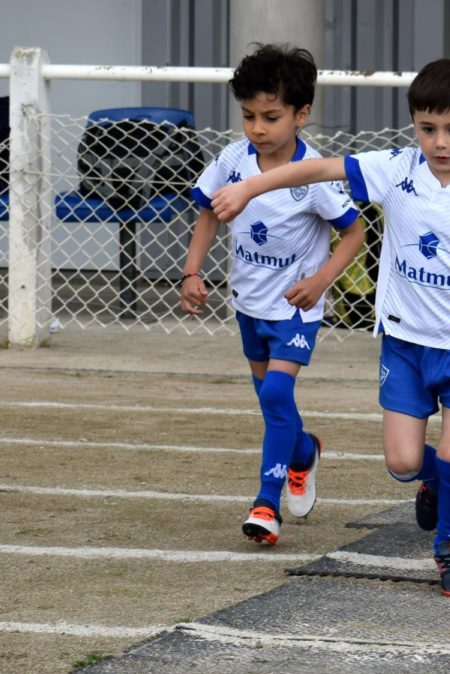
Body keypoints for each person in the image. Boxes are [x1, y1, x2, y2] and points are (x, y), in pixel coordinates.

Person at [210, 58, 450, 597]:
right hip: (405, 345)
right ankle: (435, 482)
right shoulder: (398, 169)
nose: (439, 142)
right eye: (427, 128)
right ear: (414, 124)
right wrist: (252, 188)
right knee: (403, 462)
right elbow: (317, 171)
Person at [180, 44, 365, 546]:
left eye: (271, 116)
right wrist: (192, 272)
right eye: (248, 116)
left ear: (301, 115)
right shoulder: (231, 161)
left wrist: (320, 280)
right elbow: (207, 213)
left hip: (295, 308)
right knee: (272, 404)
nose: (257, 127)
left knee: (279, 393)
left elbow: (355, 234)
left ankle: (266, 503)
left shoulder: (315, 176)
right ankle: (303, 451)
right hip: (249, 304)